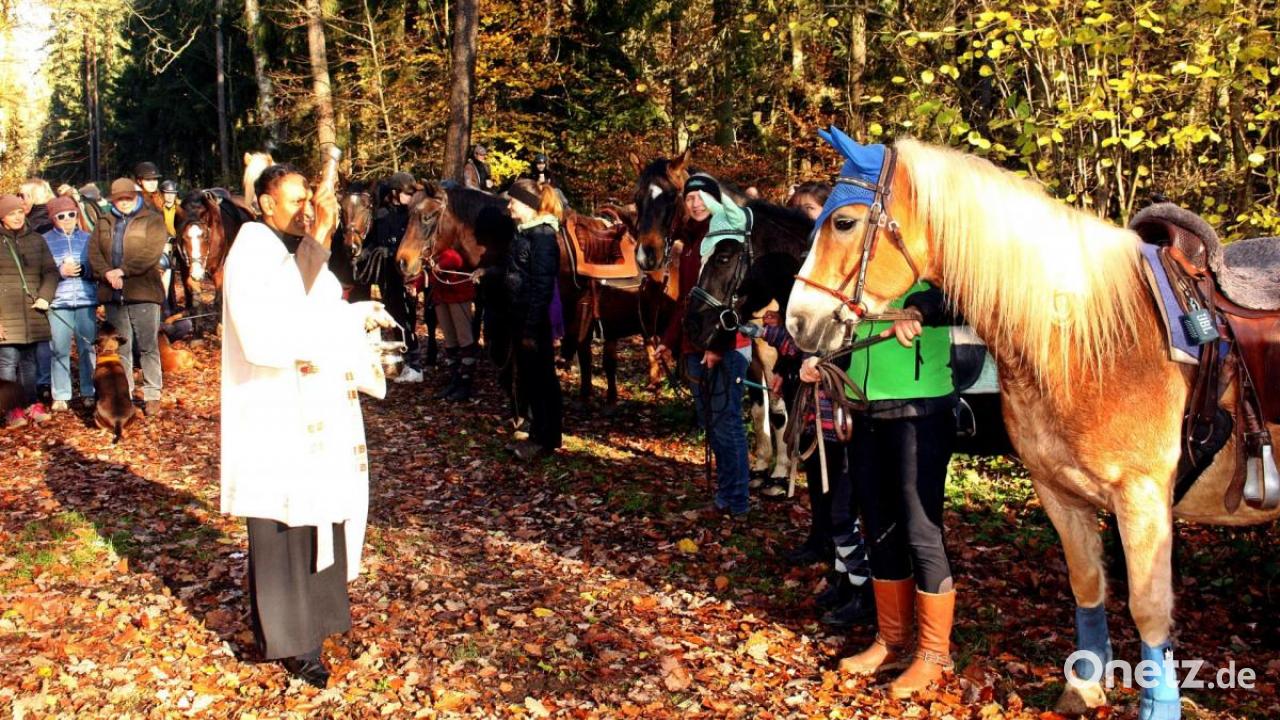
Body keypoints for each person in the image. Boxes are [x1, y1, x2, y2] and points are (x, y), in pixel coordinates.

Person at [220, 162, 393, 688]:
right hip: (276, 410)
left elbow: (319, 311)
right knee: (283, 522)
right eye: (296, 200)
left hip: (317, 406)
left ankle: (317, 620)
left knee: (320, 514)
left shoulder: (292, 250)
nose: (306, 210)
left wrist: (361, 317)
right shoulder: (252, 248)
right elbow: (267, 325)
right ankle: (291, 640)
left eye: (309, 200)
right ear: (265, 203)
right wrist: (318, 240)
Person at [801, 141, 960, 698]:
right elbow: (844, 320)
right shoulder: (862, 260)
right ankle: (891, 639)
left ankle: (934, 652)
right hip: (866, 406)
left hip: (921, 408)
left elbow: (958, 296)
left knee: (921, 528)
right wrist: (821, 362)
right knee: (878, 522)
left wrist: (917, 311)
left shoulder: (928, 242)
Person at [657, 174, 753, 519]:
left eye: (702, 197)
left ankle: (737, 502)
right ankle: (725, 497)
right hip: (694, 346)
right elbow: (687, 300)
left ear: (717, 200)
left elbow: (737, 299)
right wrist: (668, 341)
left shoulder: (729, 240)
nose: (696, 203)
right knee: (712, 425)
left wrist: (717, 345)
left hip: (726, 347)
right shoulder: (691, 243)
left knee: (727, 425)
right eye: (690, 198)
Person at [89, 178, 169, 416]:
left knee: (148, 346)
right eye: (119, 199)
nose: (124, 203)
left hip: (144, 291)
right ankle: (126, 394)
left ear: (135, 197)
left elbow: (151, 252)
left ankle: (153, 394)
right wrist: (107, 273)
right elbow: (94, 252)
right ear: (113, 200)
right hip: (113, 294)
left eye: (128, 198)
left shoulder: (152, 219)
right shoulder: (103, 221)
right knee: (121, 348)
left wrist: (123, 271)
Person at [504, 179, 562, 460]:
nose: (508, 206)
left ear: (527, 204)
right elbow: (519, 272)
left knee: (543, 379)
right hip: (521, 316)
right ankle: (537, 433)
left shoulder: (543, 237)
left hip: (534, 321)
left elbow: (542, 286)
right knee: (530, 377)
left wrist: (530, 328)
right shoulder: (524, 233)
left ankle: (547, 439)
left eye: (512, 201)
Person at [0, 194, 57, 427]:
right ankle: (11, 409)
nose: (17, 217)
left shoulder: (36, 239)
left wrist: (45, 296)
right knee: (7, 362)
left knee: (29, 362)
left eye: (19, 212)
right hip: (6, 315)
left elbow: (51, 271)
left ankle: (31, 403)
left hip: (33, 312)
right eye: (10, 213)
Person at [42, 195, 98, 412]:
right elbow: (40, 271)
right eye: (61, 216)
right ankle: (61, 394)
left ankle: (88, 391)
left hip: (86, 300)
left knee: (87, 348)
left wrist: (85, 270)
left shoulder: (88, 238)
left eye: (71, 214)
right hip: (58, 303)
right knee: (59, 349)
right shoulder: (44, 240)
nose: (67, 219)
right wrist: (60, 271)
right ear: (53, 219)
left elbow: (98, 268)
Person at [370, 172, 424, 384]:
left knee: (410, 317)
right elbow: (375, 240)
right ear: (394, 193)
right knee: (395, 317)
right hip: (389, 274)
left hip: (407, 273)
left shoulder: (411, 214)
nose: (410, 198)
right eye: (406, 193)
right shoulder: (381, 214)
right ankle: (404, 361)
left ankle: (415, 364)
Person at [431, 246, 478, 402]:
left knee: (464, 338)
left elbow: (456, 259)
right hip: (440, 295)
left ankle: (465, 383)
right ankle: (455, 380)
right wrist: (415, 285)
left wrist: (441, 264)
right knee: (450, 340)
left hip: (458, 294)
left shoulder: (453, 238)